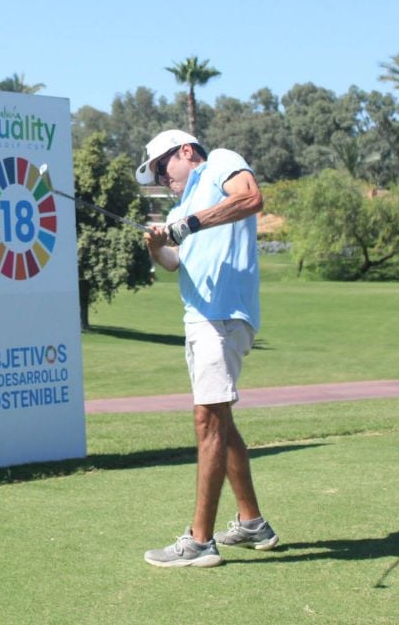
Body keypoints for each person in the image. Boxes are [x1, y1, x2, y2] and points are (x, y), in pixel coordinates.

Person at [136, 129, 279, 568]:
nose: (162, 179)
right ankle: (252, 521)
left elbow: (251, 198)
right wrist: (159, 247)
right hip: (200, 319)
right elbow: (178, 263)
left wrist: (189, 223)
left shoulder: (219, 162)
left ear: (185, 151)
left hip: (221, 316)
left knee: (207, 422)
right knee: (220, 419)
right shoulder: (181, 208)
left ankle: (199, 541)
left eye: (163, 167)